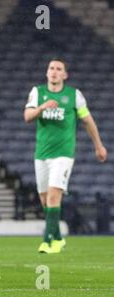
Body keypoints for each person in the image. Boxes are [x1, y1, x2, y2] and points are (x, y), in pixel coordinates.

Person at [24, 59, 107, 253]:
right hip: (41, 154)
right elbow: (27, 117)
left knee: (54, 196)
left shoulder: (74, 96)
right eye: (51, 68)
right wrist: (43, 107)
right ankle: (59, 238)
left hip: (63, 154)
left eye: (58, 69)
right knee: (45, 201)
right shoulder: (37, 92)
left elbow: (88, 121)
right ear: (47, 73)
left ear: (65, 75)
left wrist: (99, 145)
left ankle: (47, 241)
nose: (54, 72)